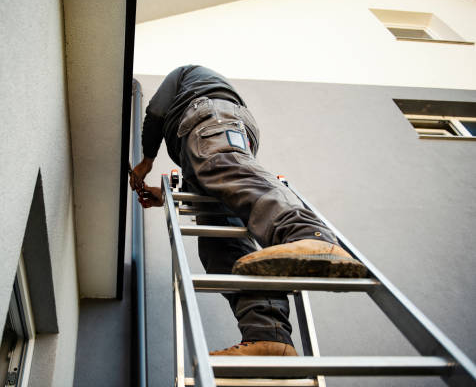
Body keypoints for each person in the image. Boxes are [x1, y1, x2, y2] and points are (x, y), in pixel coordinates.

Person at [129, 65, 366, 356]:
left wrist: (147, 160)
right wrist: (166, 196)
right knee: (222, 246)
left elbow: (155, 112)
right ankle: (269, 337)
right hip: (206, 138)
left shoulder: (185, 74)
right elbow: (223, 178)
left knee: (224, 166)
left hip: (210, 118)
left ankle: (308, 234)